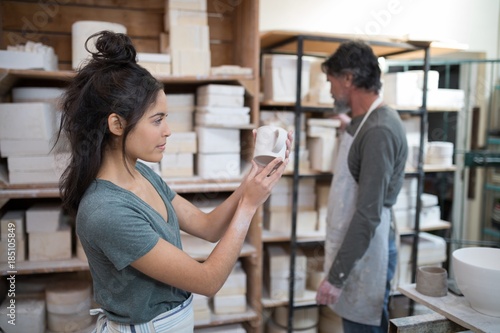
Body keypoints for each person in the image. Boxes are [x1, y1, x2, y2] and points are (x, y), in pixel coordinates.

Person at [57, 30, 292, 332]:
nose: (168, 130)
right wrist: (249, 205)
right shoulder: (106, 211)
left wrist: (254, 177)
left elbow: (208, 227)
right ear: (117, 124)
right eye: (157, 120)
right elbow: (208, 281)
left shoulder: (144, 175)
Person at [315, 40, 408, 333]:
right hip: (359, 246)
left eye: (331, 81)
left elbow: (367, 214)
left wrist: (336, 276)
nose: (330, 90)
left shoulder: (378, 131)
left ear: (348, 79)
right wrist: (348, 123)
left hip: (367, 250)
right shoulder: (368, 122)